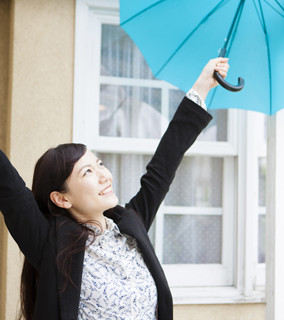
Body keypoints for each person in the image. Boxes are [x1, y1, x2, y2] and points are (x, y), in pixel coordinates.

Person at [0, 57, 229, 320]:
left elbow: (164, 165)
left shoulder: (131, 224)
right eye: (87, 172)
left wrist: (201, 87)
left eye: (99, 164)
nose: (103, 175)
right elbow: (8, 187)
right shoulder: (51, 243)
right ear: (61, 198)